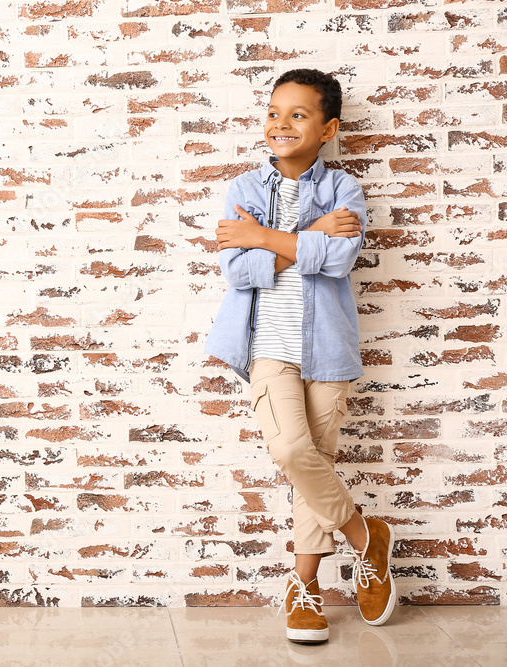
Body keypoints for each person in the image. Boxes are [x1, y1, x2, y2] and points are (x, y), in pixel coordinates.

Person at [204, 68, 396, 643]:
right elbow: (238, 272)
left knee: (312, 466)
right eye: (273, 113)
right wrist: (307, 235)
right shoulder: (243, 189)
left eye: (298, 115)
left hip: (327, 349)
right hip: (267, 348)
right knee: (291, 449)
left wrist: (264, 238)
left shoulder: (344, 191)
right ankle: (366, 537)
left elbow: (337, 262)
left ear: (328, 128)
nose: (280, 125)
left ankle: (305, 589)